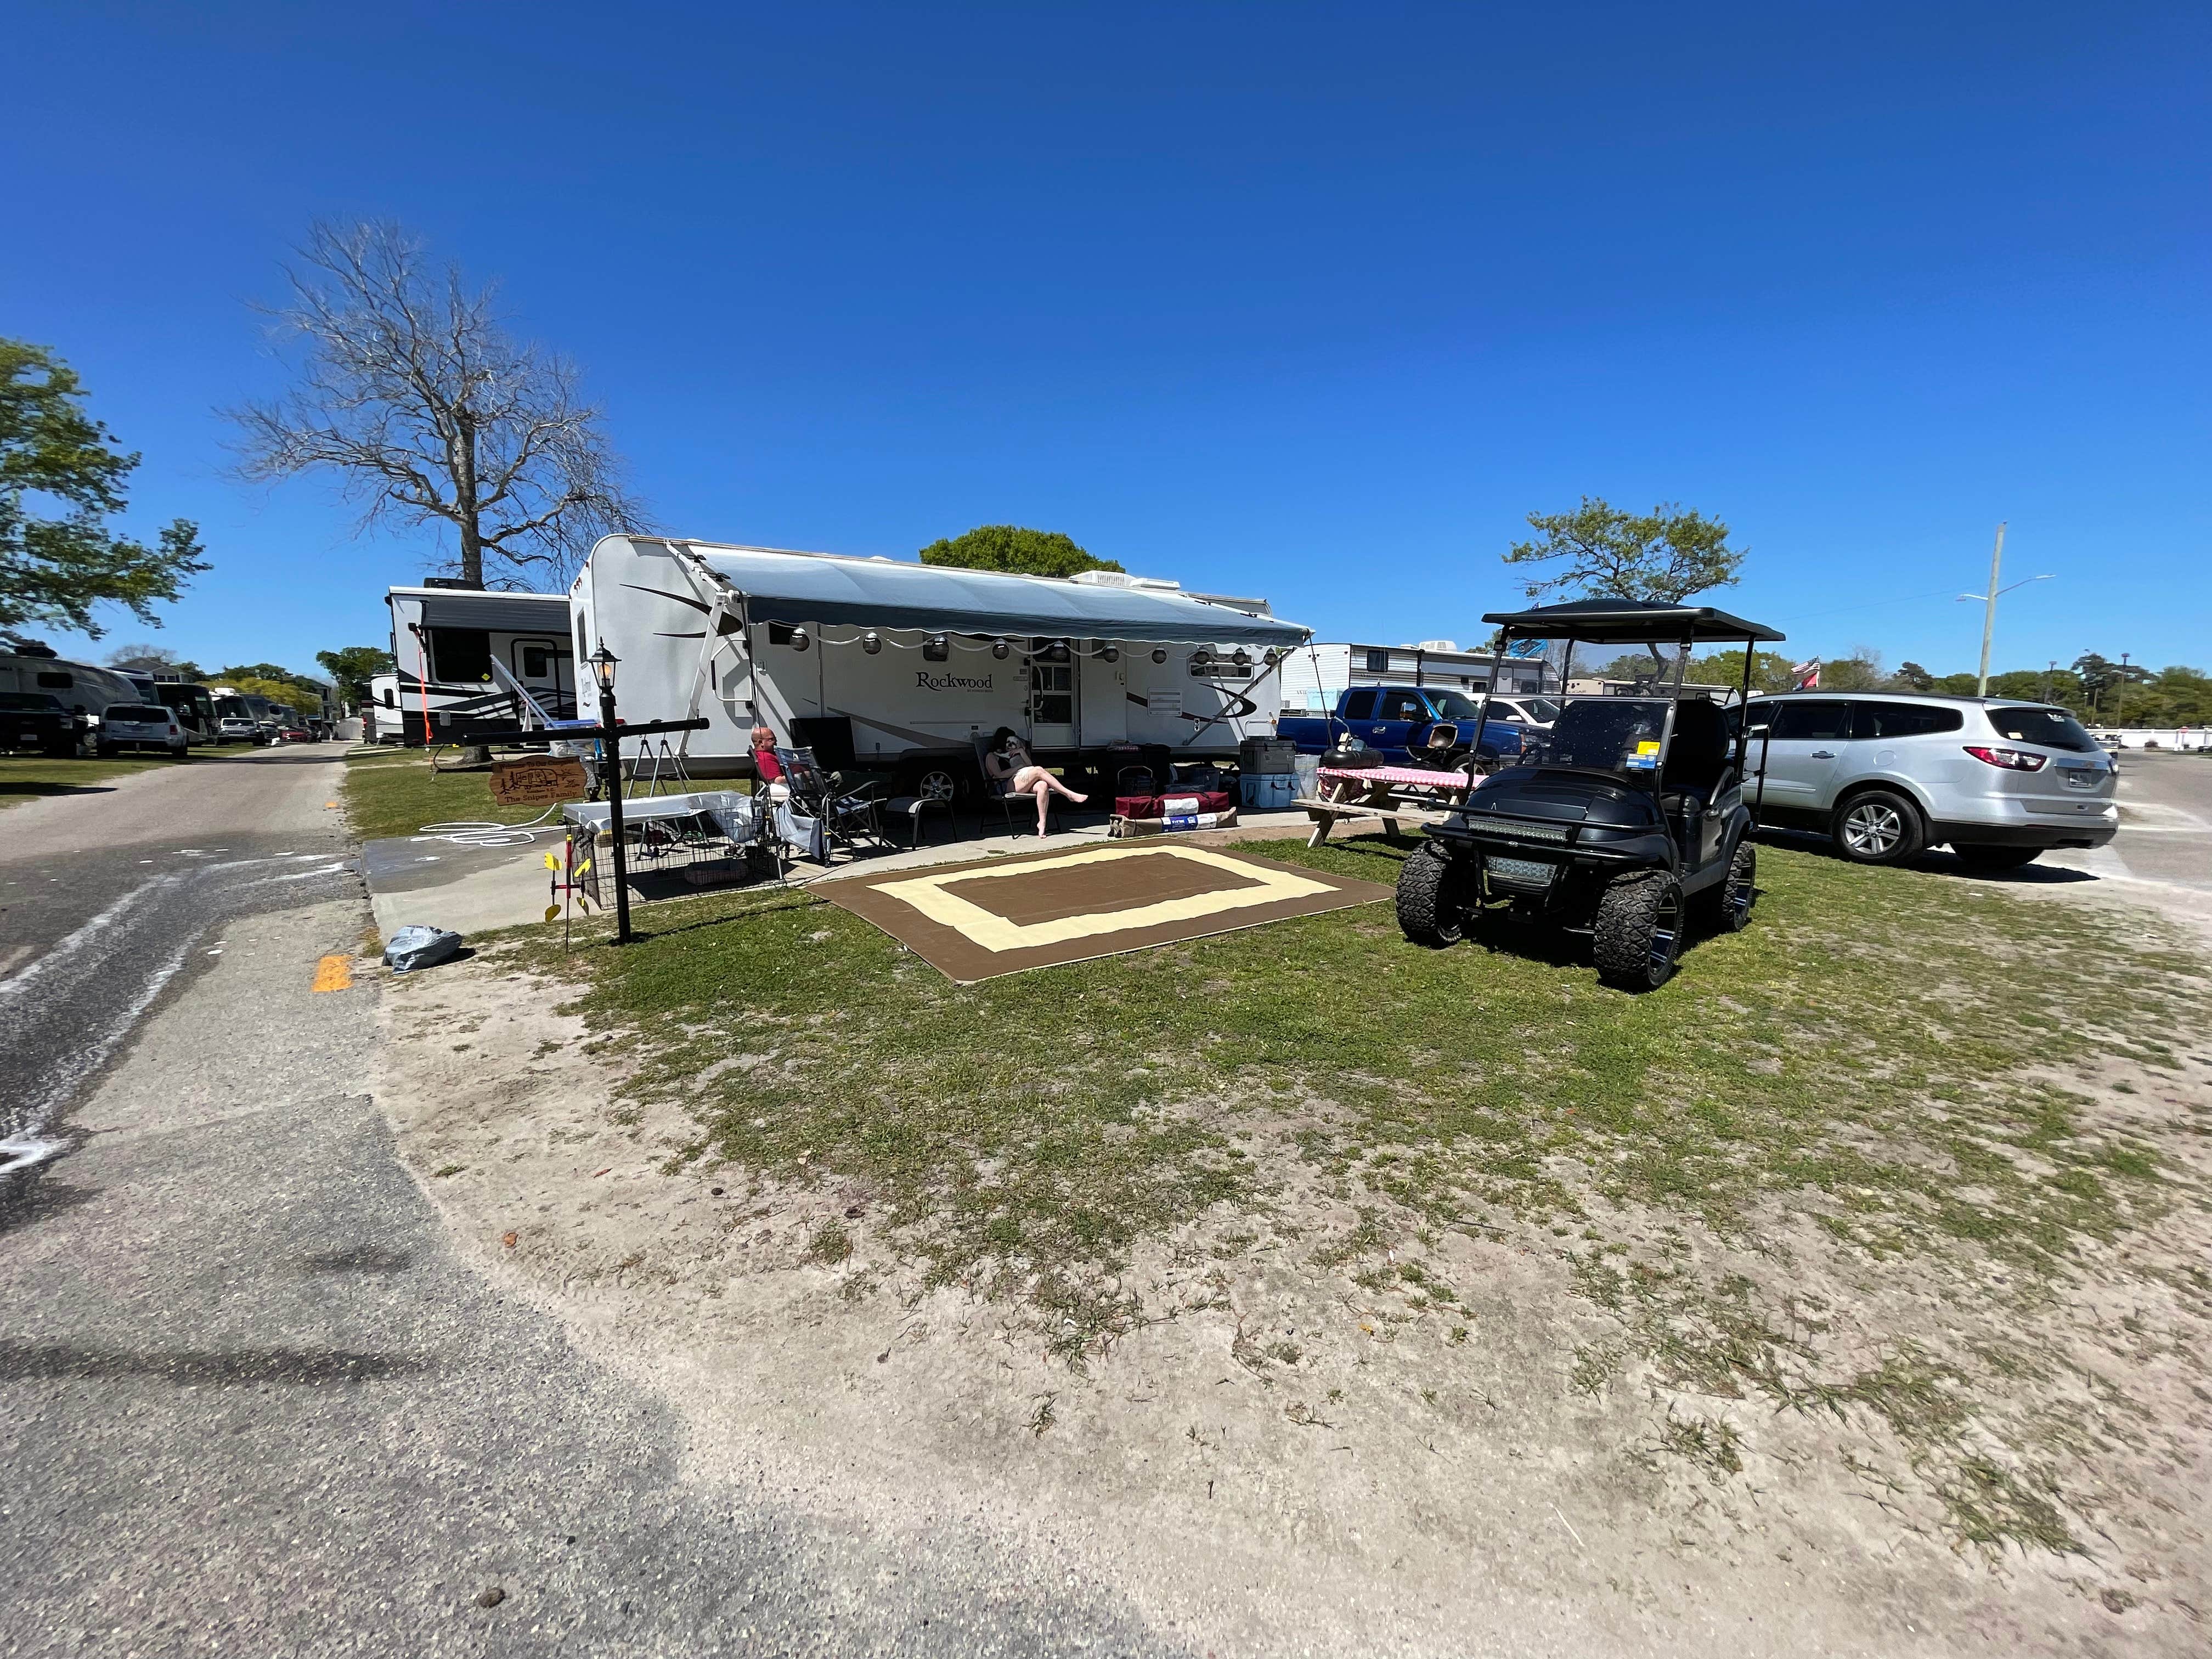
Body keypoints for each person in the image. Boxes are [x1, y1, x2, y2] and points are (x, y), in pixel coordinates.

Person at [984, 727, 1087, 836]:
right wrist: (1018, 767)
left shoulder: (1013, 754)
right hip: (1004, 786)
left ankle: (1042, 823)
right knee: (1038, 770)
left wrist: (1021, 751)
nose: (1011, 745)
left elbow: (1029, 765)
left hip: (1020, 781)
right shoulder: (992, 756)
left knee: (1043, 785)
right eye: (1008, 741)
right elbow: (999, 776)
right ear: (1002, 742)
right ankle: (1068, 794)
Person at [750, 725, 788, 799]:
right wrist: (796, 776)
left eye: (775, 739)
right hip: (786, 788)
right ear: (761, 743)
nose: (776, 741)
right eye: (772, 739)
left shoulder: (768, 754)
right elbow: (777, 780)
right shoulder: (766, 758)